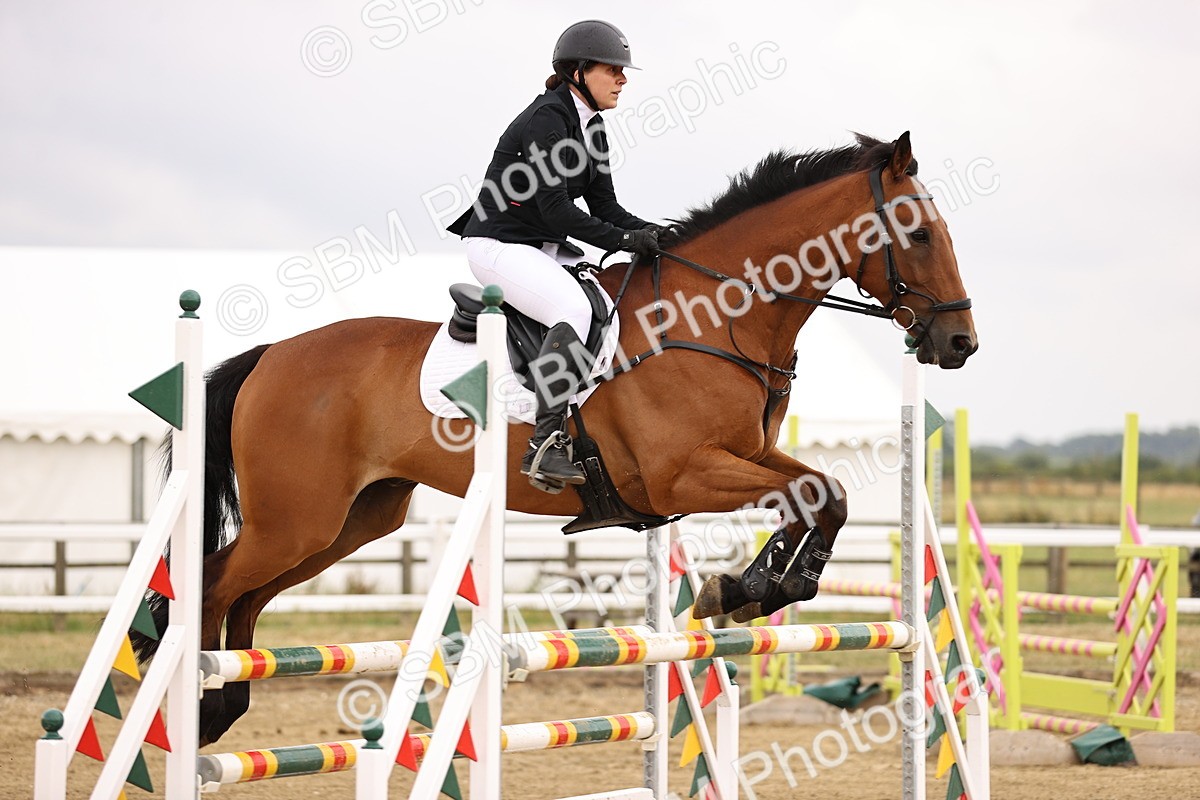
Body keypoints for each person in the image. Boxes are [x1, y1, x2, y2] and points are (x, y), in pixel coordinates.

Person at [447, 20, 660, 491]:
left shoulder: (594, 127)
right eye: (613, 69)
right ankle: (543, 444)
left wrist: (655, 233)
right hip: (497, 246)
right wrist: (625, 243)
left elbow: (604, 207)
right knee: (574, 307)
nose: (624, 79)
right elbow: (558, 211)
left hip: (541, 249)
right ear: (579, 71)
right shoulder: (548, 119)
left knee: (611, 304)